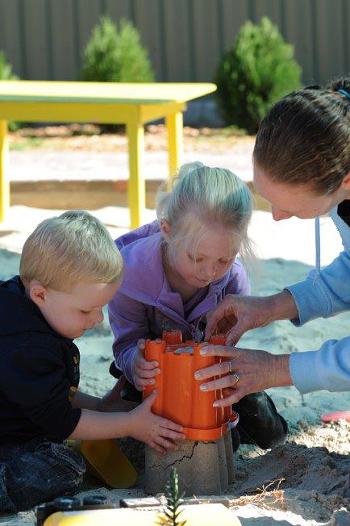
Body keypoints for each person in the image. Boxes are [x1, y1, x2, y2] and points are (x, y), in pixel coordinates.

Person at [0, 210, 184, 513]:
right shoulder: (27, 346)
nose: (98, 319)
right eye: (86, 311)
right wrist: (130, 424)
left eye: (102, 308)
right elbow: (60, 421)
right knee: (64, 467)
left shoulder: (23, 304)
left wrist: (100, 408)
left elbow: (51, 396)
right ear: (40, 294)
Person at [108, 162, 288, 452]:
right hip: (155, 376)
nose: (209, 272)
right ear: (167, 232)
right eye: (196, 257)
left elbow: (225, 348)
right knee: (136, 437)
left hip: (210, 371)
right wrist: (134, 364)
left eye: (223, 260)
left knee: (269, 434)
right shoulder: (129, 274)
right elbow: (126, 344)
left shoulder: (234, 283)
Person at [194, 78, 350, 408]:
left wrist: (277, 368)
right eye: (268, 199)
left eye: (291, 207)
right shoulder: (341, 163)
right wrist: (272, 307)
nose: (277, 216)